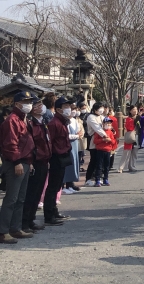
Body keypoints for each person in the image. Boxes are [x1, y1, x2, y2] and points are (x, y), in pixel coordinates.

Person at [0, 91, 38, 243]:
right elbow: (10, 144)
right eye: (25, 101)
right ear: (17, 104)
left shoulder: (24, 119)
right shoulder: (12, 120)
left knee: (20, 198)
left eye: (29, 101)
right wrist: (16, 162)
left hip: (26, 161)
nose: (29, 104)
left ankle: (15, 228)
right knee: (11, 198)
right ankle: (3, 231)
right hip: (16, 162)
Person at [43, 96, 74, 225]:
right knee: (52, 186)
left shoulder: (62, 121)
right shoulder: (54, 123)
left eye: (69, 106)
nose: (69, 109)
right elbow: (50, 142)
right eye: (66, 106)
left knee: (57, 186)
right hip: (56, 156)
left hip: (63, 154)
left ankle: (54, 212)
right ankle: (49, 216)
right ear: (59, 109)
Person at [22, 97, 50, 232]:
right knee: (31, 192)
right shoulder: (30, 123)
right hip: (35, 160)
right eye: (38, 104)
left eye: (41, 104)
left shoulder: (42, 122)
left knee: (38, 192)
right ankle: (24, 221)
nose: (41, 107)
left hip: (44, 159)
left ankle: (31, 218)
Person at [84, 102, 109, 187]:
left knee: (101, 161)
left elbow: (108, 125)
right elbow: (97, 128)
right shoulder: (91, 117)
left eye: (102, 107)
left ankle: (97, 177)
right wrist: (105, 135)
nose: (102, 109)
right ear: (95, 109)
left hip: (102, 141)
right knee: (94, 160)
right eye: (100, 108)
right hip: (94, 140)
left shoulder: (102, 117)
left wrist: (111, 131)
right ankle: (88, 178)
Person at [62, 103, 82, 194]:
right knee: (67, 164)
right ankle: (63, 185)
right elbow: (66, 135)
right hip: (67, 144)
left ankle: (71, 183)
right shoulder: (64, 121)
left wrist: (78, 135)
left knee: (74, 163)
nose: (73, 111)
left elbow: (79, 131)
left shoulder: (74, 120)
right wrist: (76, 136)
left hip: (75, 144)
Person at [93, 118, 117, 187]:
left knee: (107, 166)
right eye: (106, 123)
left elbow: (113, 142)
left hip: (108, 150)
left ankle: (105, 179)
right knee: (99, 166)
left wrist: (109, 140)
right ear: (103, 124)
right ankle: (97, 180)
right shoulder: (99, 131)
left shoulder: (110, 132)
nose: (108, 125)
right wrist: (103, 140)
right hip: (100, 150)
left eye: (109, 123)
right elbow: (95, 141)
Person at [118, 106, 139, 173]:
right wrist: (135, 121)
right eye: (133, 109)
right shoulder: (129, 119)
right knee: (126, 153)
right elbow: (129, 127)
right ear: (130, 111)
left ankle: (132, 166)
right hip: (130, 136)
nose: (135, 111)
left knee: (134, 153)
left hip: (137, 136)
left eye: (136, 109)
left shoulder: (139, 118)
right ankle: (121, 167)